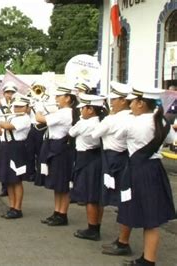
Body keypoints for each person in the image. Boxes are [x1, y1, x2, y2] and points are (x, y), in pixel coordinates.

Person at [117, 87, 176, 266]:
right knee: (152, 219)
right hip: (155, 169)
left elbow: (119, 137)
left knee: (140, 213)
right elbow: (169, 139)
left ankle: (143, 257)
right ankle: (148, 259)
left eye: (132, 102)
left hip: (138, 170)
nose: (130, 105)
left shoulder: (133, 123)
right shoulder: (161, 121)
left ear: (141, 103)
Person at [91, 81, 134, 256]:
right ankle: (122, 239)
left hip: (113, 158)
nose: (112, 103)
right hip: (124, 157)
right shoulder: (132, 117)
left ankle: (123, 242)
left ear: (123, 101)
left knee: (123, 201)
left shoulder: (112, 118)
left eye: (115, 99)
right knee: (124, 200)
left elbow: (95, 134)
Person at [35, 84, 79, 226]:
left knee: (62, 183)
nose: (56, 98)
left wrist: (38, 105)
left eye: (59, 96)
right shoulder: (61, 111)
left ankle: (63, 214)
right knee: (56, 183)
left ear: (67, 98)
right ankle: (57, 211)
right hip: (53, 146)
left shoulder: (66, 112)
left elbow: (40, 119)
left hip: (61, 148)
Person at [69, 94, 107, 240]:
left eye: (83, 108)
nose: (80, 111)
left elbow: (71, 132)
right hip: (97, 157)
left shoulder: (85, 123)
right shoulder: (100, 122)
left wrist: (79, 121)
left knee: (89, 195)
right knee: (97, 195)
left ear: (90, 109)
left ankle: (92, 229)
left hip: (85, 158)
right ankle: (97, 225)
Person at [0, 95, 31, 219]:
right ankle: (12, 206)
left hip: (17, 148)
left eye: (21, 106)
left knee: (16, 180)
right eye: (16, 106)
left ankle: (18, 208)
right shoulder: (12, 116)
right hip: (6, 147)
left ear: (27, 108)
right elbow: (2, 132)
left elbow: (8, 127)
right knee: (8, 179)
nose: (17, 108)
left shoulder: (24, 118)